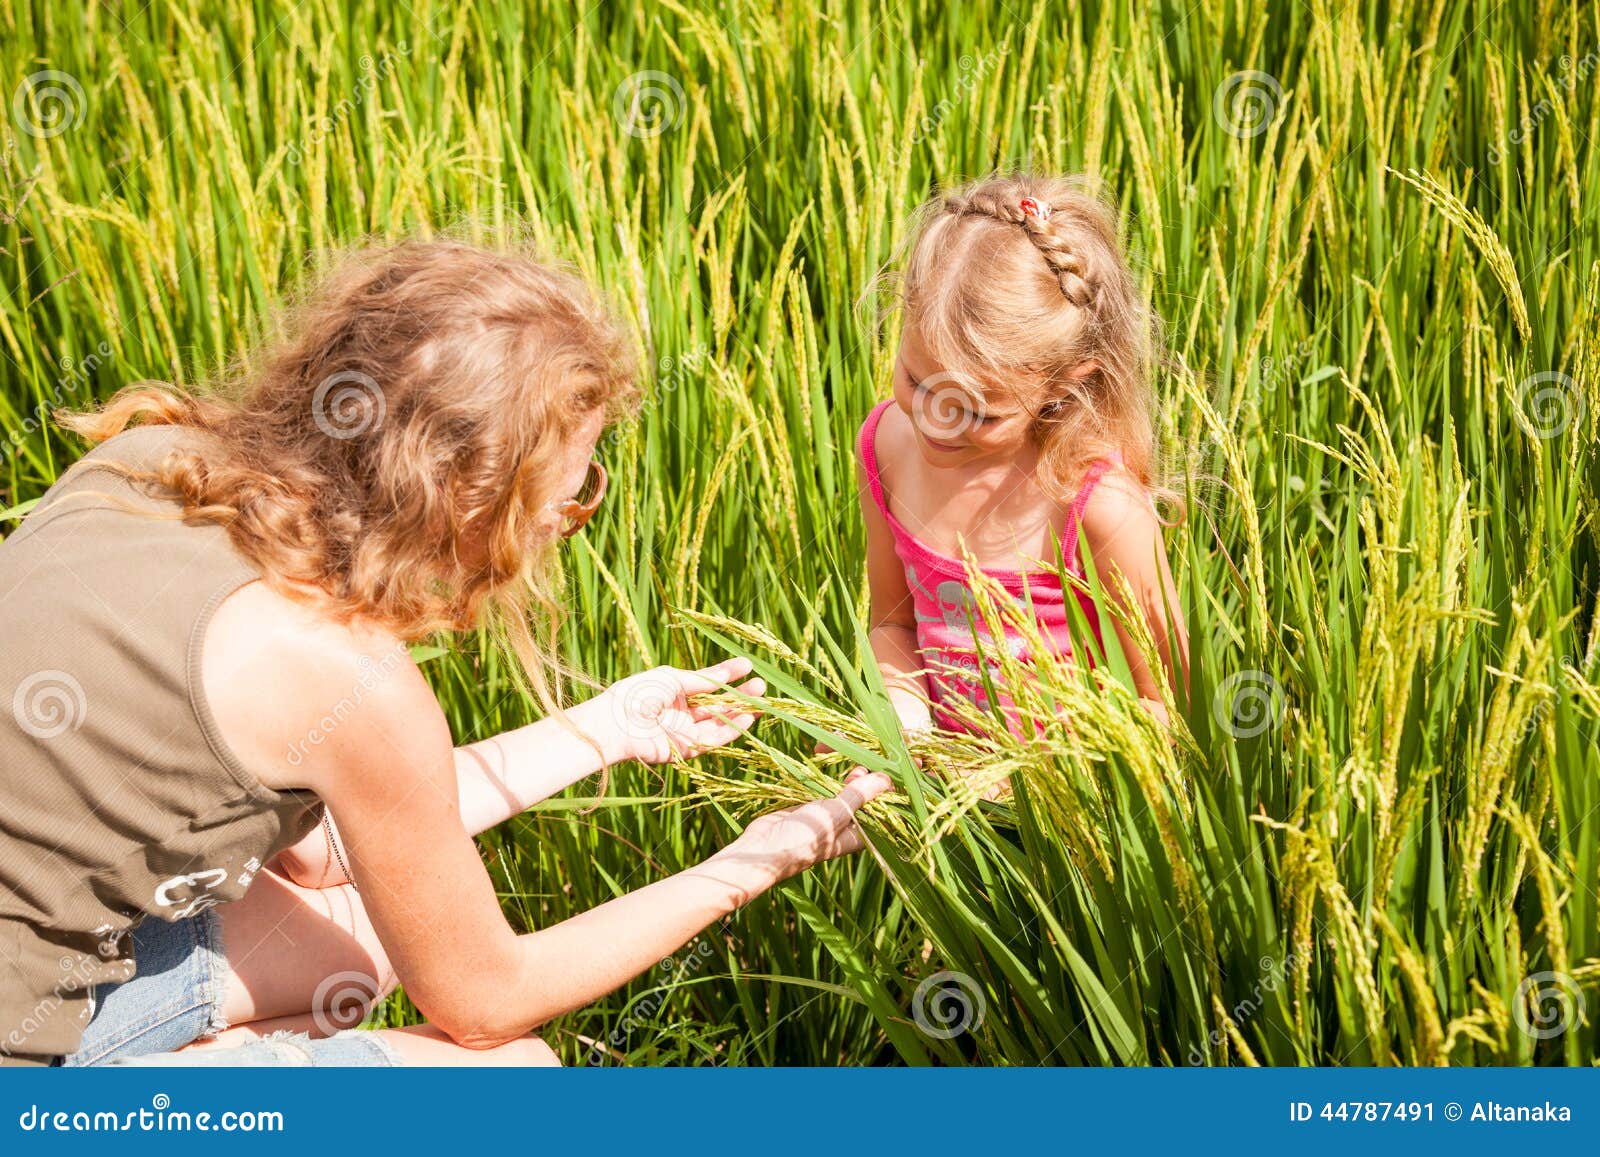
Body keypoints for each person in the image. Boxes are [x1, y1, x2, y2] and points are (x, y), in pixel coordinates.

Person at [0, 238, 891, 1067]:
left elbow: (323, 852)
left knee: (348, 951)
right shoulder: (338, 668)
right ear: (464, 494)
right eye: (563, 498)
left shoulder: (153, 460)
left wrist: (608, 725)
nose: (564, 522)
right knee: (512, 1075)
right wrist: (763, 856)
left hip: (33, 948)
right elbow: (485, 1000)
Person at [858, 174, 1188, 737]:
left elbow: (1172, 703)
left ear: (1064, 384)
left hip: (1071, 802)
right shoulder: (887, 444)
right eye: (915, 380)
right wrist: (902, 724)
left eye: (981, 412)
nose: (936, 420)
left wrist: (1036, 777)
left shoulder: (1097, 506)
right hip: (940, 793)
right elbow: (893, 623)